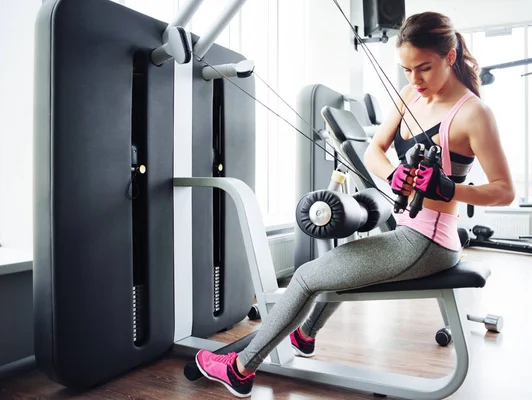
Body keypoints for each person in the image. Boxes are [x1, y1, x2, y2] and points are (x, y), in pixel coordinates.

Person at [194, 11, 515, 398]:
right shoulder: (410, 95)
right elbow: (376, 150)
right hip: (406, 231)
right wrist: (393, 175)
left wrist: (449, 189)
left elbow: (503, 190)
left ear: (449, 57)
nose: (414, 79)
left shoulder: (473, 114)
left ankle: (241, 369)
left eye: (424, 68)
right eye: (407, 69)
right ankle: (305, 335)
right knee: (344, 265)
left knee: (307, 277)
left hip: (429, 244)